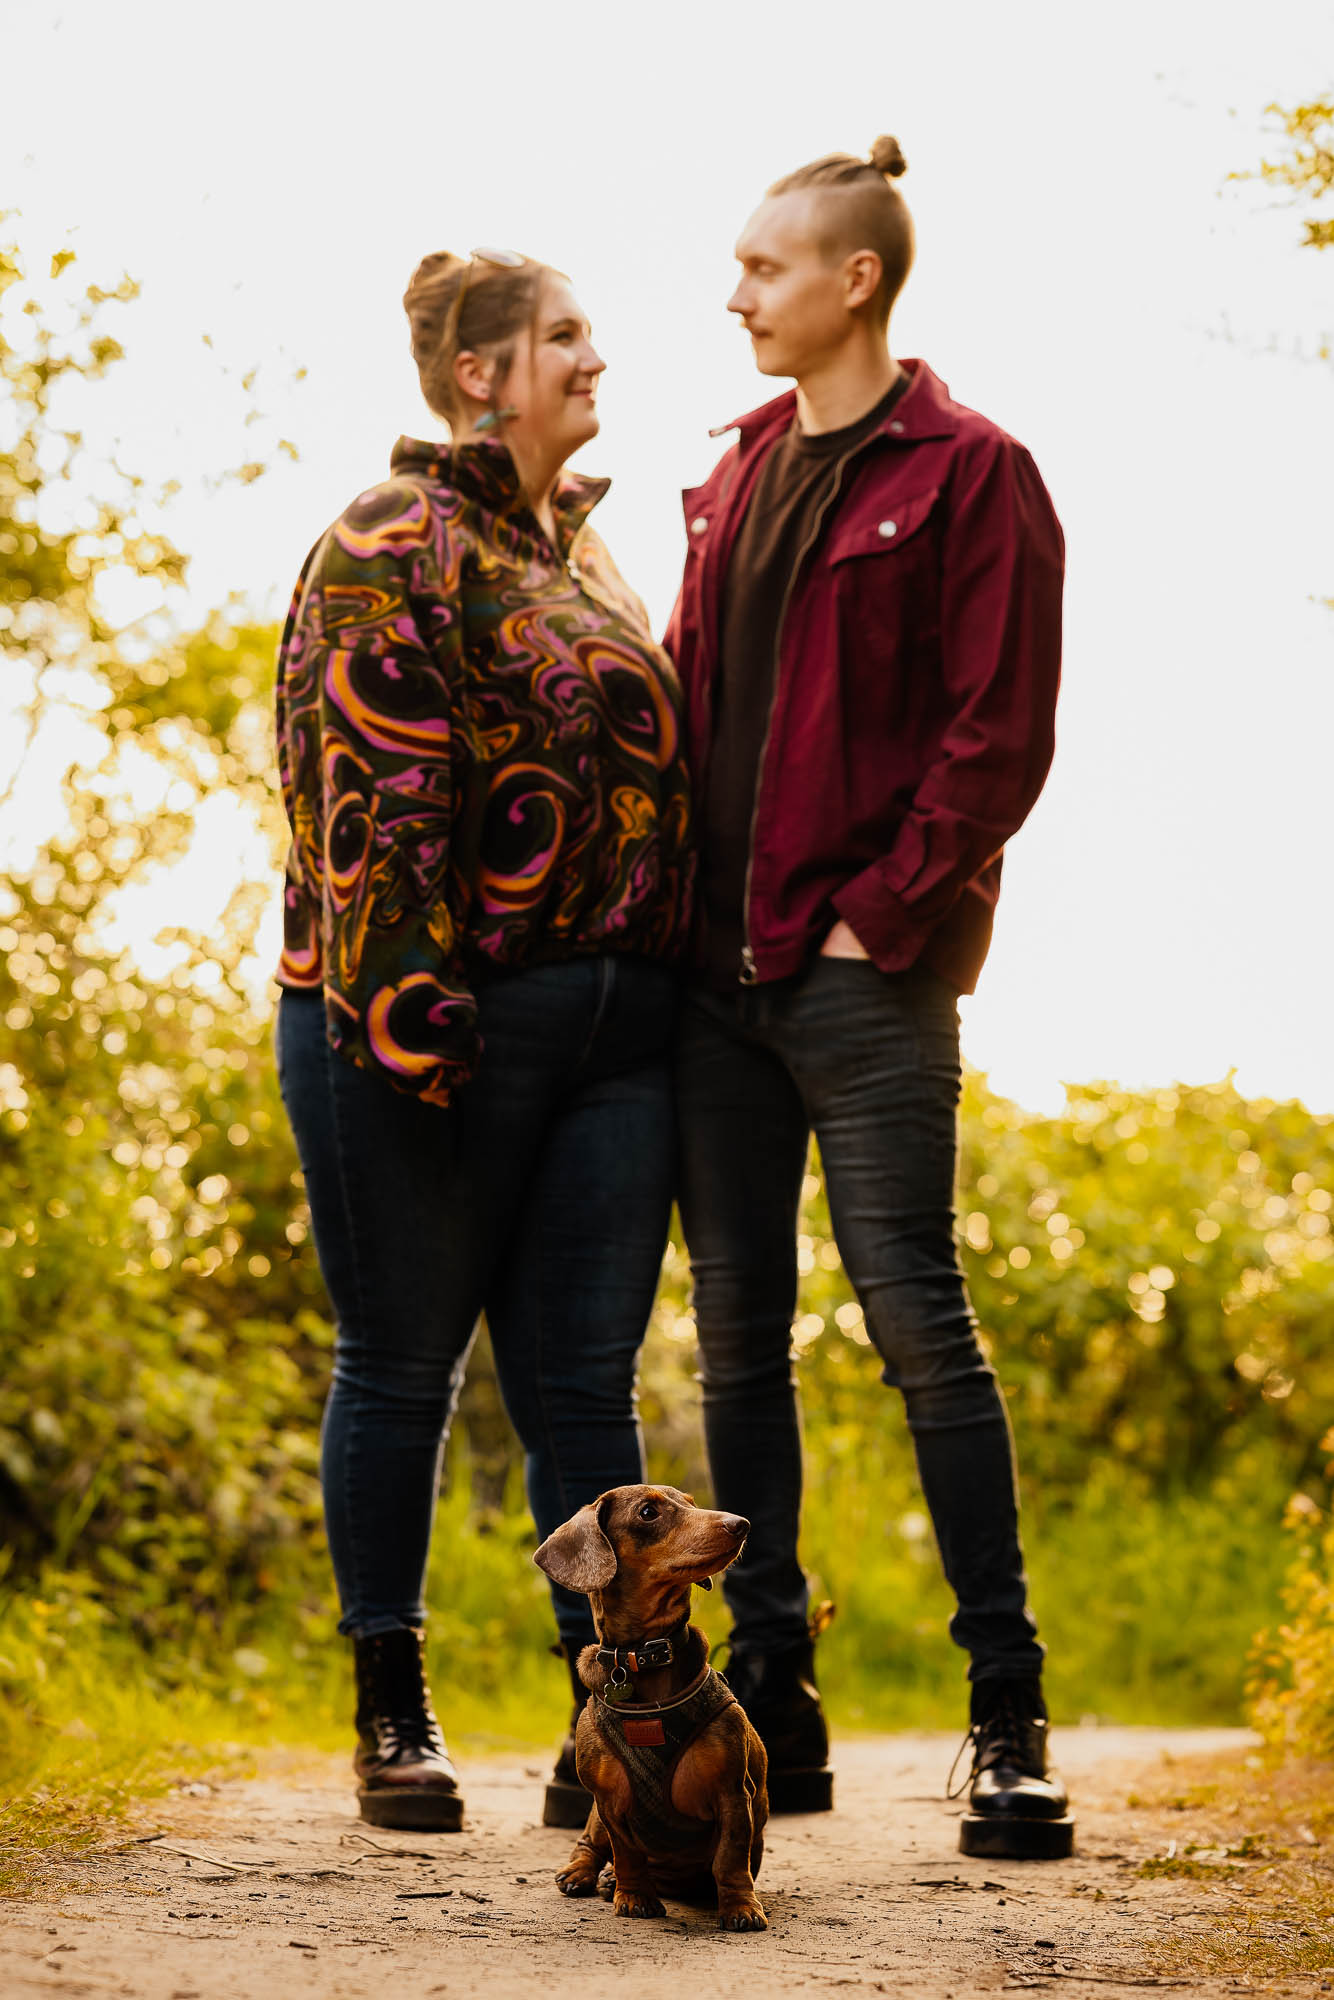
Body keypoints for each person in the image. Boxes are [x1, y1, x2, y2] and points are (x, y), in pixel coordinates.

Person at [665, 137, 1071, 1856]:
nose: (734, 291)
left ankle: (1006, 1722)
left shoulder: (972, 473)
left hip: (862, 979)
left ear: (853, 280)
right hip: (714, 989)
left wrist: (880, 916)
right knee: (738, 1352)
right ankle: (773, 1704)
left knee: (919, 1327)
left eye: (762, 265)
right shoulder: (737, 470)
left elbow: (999, 730)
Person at [274, 247, 692, 1832]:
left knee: (584, 1386)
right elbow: (360, 783)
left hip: (617, 1040)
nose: (596, 360)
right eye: (563, 340)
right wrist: (408, 1021)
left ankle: (610, 1731)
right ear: (479, 373)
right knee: (401, 1363)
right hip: (428, 1025)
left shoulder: (595, 565)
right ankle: (393, 1710)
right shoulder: (394, 536)